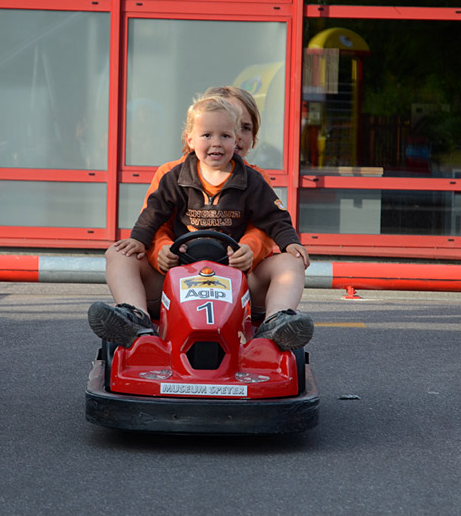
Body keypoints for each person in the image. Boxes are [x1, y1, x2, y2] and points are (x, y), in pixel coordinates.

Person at [88, 94, 313, 351]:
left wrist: (289, 243)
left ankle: (277, 321)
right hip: (177, 273)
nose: (216, 143)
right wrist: (150, 246)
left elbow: (274, 218)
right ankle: (134, 316)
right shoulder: (174, 176)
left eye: (225, 136)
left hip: (237, 276)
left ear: (236, 140)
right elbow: (154, 213)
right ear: (190, 140)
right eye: (207, 135)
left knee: (291, 261)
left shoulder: (252, 179)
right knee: (118, 253)